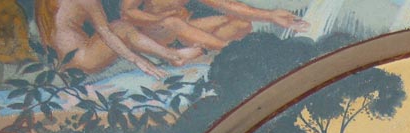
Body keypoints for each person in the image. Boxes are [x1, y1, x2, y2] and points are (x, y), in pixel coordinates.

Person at [37, 0, 202, 79]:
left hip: (60, 62)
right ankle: (173, 55)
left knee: (119, 29)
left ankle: (170, 54)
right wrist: (138, 60)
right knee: (120, 27)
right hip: (83, 61)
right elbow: (107, 34)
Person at [120, 0, 307, 53]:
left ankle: (198, 50)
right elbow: (127, 12)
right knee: (173, 22)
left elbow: (226, 4)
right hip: (156, 34)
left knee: (240, 23)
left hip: (184, 30)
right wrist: (158, 18)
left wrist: (270, 16)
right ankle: (229, 49)